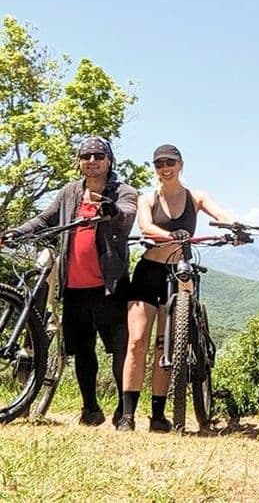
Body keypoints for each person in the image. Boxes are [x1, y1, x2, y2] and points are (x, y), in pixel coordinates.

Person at [1, 136, 137, 426]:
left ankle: (124, 413)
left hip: (109, 286)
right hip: (74, 286)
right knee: (83, 351)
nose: (92, 161)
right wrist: (16, 233)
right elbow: (44, 220)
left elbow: (127, 214)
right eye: (86, 156)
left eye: (98, 156)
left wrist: (111, 209)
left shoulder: (122, 191)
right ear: (79, 162)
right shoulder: (69, 192)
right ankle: (90, 409)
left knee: (119, 349)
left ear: (109, 160)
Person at [117, 144, 238, 432]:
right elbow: (146, 227)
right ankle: (127, 414)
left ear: (180, 164)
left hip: (179, 272)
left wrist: (235, 227)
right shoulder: (148, 199)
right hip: (149, 272)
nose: (165, 168)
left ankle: (158, 414)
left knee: (165, 344)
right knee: (137, 342)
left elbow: (220, 214)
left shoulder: (196, 197)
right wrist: (172, 235)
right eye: (159, 163)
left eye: (170, 162)